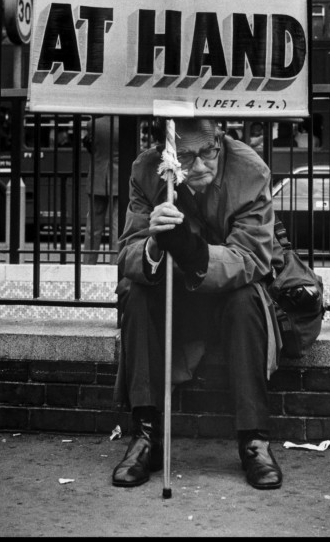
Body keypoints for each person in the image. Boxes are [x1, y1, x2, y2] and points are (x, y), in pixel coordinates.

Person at [112, 117, 283, 490]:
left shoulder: (250, 170)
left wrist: (192, 252)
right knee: (134, 292)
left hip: (226, 298)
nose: (202, 164)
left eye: (208, 151)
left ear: (219, 138)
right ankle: (145, 434)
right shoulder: (146, 170)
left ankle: (254, 440)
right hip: (173, 297)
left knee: (247, 298)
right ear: (168, 153)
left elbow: (251, 258)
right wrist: (154, 244)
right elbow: (127, 255)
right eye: (187, 157)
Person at [83, 115, 119, 264]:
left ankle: (88, 264)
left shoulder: (92, 124)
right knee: (117, 225)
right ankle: (115, 264)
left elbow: (90, 147)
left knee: (93, 227)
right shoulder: (125, 124)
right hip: (119, 179)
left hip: (97, 177)